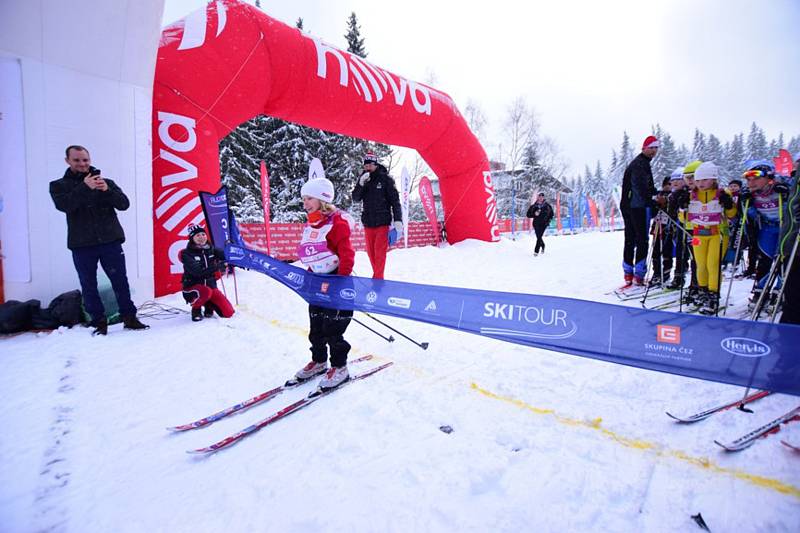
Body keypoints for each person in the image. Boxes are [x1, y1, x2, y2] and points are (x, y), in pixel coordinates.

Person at [49, 145, 149, 336]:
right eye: (77, 160)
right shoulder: (58, 185)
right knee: (88, 284)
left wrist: (107, 191)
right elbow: (65, 205)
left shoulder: (106, 182)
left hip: (110, 241)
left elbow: (124, 204)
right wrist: (84, 188)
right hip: (82, 245)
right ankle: (98, 322)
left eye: (85, 160)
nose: (82, 164)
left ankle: (129, 317)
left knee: (120, 280)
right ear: (67, 161)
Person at [293, 177, 356, 391]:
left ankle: (340, 367)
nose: (305, 203)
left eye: (309, 198)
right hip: (317, 284)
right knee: (316, 328)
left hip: (338, 282)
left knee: (333, 329)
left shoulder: (336, 224)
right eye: (304, 198)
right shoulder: (311, 224)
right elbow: (315, 255)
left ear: (322, 199)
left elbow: (347, 255)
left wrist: (342, 281)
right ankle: (319, 362)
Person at [686, 162, 736, 314]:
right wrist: (681, 207)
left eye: (705, 180)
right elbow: (684, 218)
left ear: (713, 179)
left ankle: (713, 295)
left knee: (712, 265)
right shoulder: (691, 195)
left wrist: (728, 205)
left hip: (717, 234)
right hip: (698, 234)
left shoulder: (722, 193)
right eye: (698, 180)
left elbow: (732, 215)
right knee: (700, 265)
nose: (700, 184)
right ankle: (703, 292)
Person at [739, 160, 790, 307]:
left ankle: (780, 290)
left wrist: (787, 191)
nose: (751, 182)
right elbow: (752, 215)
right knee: (765, 260)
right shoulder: (751, 195)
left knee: (782, 259)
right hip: (767, 230)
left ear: (769, 178)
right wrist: (745, 203)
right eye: (748, 179)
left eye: (756, 178)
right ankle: (761, 290)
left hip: (784, 228)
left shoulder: (780, 188)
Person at [352, 152, 403, 279]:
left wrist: (398, 219)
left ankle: (378, 281)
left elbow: (395, 201)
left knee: (380, 254)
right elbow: (355, 198)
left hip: (382, 222)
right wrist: (360, 184)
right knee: (371, 253)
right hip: (368, 222)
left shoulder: (386, 179)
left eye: (370, 164)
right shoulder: (363, 179)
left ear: (375, 164)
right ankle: (378, 277)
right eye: (365, 165)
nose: (367, 167)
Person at [620, 135, 661, 285]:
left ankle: (628, 273)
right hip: (638, 207)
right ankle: (638, 274)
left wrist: (656, 193)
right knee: (641, 239)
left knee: (630, 239)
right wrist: (652, 203)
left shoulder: (640, 163)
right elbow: (641, 187)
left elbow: (647, 187)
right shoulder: (640, 164)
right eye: (651, 148)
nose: (654, 151)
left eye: (656, 148)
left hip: (629, 206)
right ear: (643, 148)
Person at [180, 225, 235, 322]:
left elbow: (225, 255)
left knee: (228, 313)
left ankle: (208, 304)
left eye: (203, 234)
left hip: (211, 286)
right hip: (192, 289)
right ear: (192, 238)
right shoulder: (186, 254)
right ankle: (196, 310)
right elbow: (198, 272)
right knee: (205, 291)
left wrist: (231, 249)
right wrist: (218, 267)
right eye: (197, 236)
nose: (201, 237)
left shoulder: (211, 249)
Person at [778, 152, 800, 325]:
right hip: (791, 246)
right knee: (792, 299)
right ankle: (786, 342)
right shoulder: (793, 183)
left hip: (793, 246)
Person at [649, 176, 674, 286]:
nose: (669, 186)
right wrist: (655, 205)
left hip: (668, 227)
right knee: (655, 251)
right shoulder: (658, 195)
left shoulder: (674, 195)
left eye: (671, 184)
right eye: (667, 184)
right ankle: (657, 273)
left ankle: (666, 272)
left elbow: (673, 211)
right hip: (657, 226)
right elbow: (652, 212)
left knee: (666, 251)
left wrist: (666, 204)